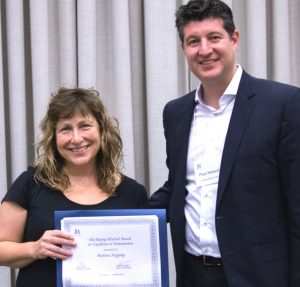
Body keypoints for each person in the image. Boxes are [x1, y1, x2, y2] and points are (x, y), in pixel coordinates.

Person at [149, 0, 300, 286]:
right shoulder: (176, 113)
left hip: (260, 276)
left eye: (214, 37)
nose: (204, 50)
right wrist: (113, 210)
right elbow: (178, 187)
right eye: (193, 41)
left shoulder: (284, 104)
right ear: (184, 49)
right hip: (193, 274)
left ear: (234, 39)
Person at [0, 87, 148, 287]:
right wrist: (34, 249)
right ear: (53, 136)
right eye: (65, 129)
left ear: (102, 131)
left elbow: (142, 263)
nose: (76, 139)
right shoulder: (31, 183)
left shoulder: (133, 193)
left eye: (85, 126)